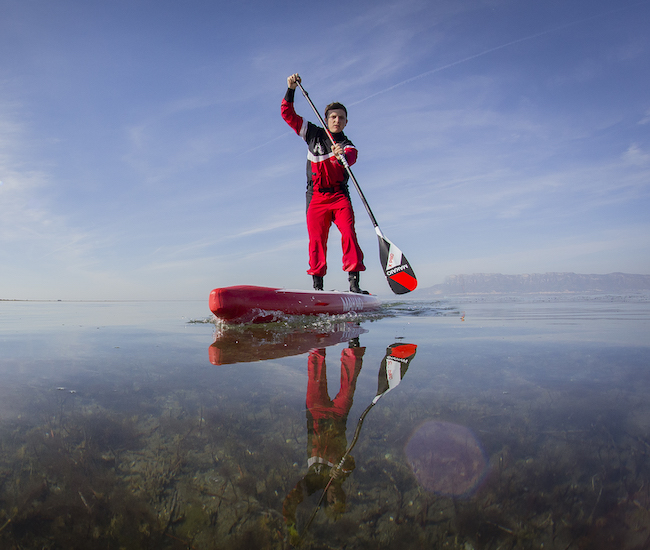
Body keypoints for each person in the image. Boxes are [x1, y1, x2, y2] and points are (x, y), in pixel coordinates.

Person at [282, 73, 367, 293]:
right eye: (333, 117)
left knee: (349, 234)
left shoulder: (348, 146)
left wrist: (342, 156)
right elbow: (288, 115)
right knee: (317, 242)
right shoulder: (313, 133)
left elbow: (351, 158)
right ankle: (317, 289)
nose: (337, 120)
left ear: (346, 122)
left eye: (341, 118)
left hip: (339, 197)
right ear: (327, 119)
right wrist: (291, 89)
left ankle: (354, 285)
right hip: (316, 197)